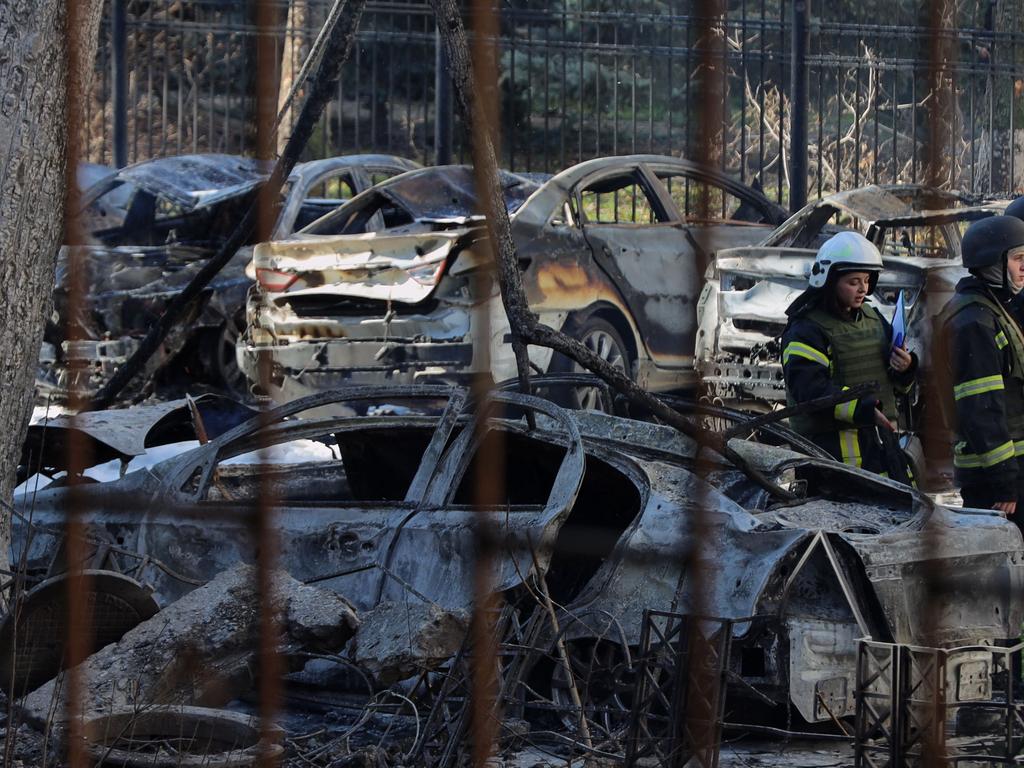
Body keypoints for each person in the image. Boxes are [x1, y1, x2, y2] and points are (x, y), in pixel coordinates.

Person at [782, 231, 917, 475]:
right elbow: (809, 390)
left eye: (866, 280)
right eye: (853, 282)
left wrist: (905, 368)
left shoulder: (873, 319)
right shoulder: (806, 328)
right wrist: (864, 408)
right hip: (830, 456)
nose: (863, 289)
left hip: (880, 448)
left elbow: (892, 384)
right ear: (829, 280)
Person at [941, 215, 1024, 520]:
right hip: (995, 480)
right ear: (993, 263)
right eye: (1018, 259)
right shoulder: (974, 321)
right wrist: (1004, 482)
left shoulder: (994, 308)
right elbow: (981, 408)